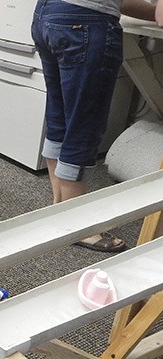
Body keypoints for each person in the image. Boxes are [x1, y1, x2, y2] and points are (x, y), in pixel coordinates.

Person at [31, 0, 157, 253]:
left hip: (48, 14)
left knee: (60, 117)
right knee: (83, 124)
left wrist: (155, 11)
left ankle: (61, 207)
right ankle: (78, 226)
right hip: (86, 22)